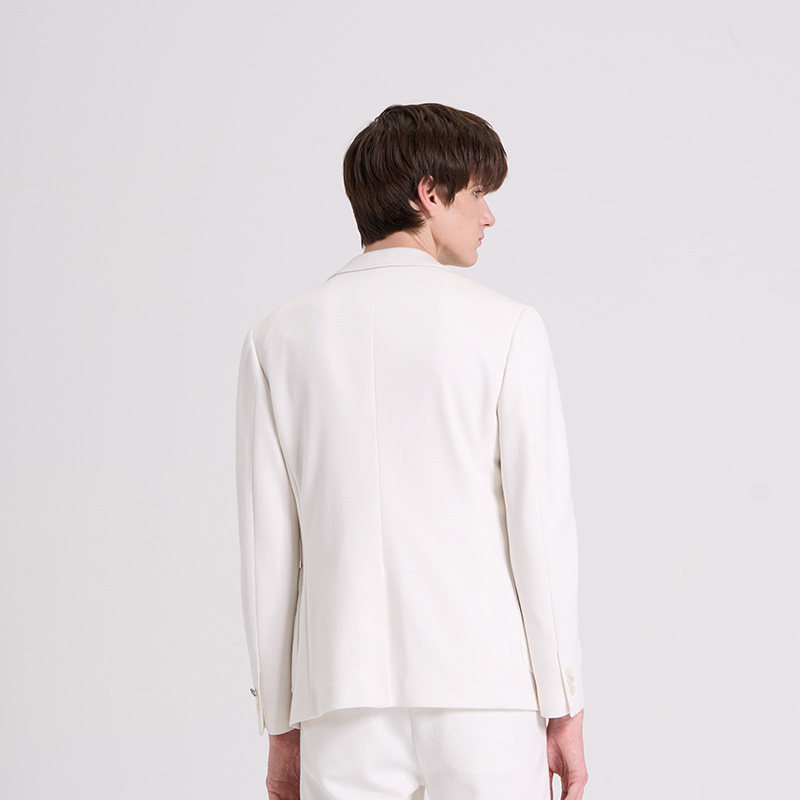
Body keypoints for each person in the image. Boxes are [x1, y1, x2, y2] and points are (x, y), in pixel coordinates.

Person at [235, 102, 588, 800]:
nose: (488, 215)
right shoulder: (507, 328)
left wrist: (280, 722)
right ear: (429, 194)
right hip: (485, 693)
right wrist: (564, 703)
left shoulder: (275, 339)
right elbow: (540, 535)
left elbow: (266, 555)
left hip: (340, 698)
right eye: (478, 193)